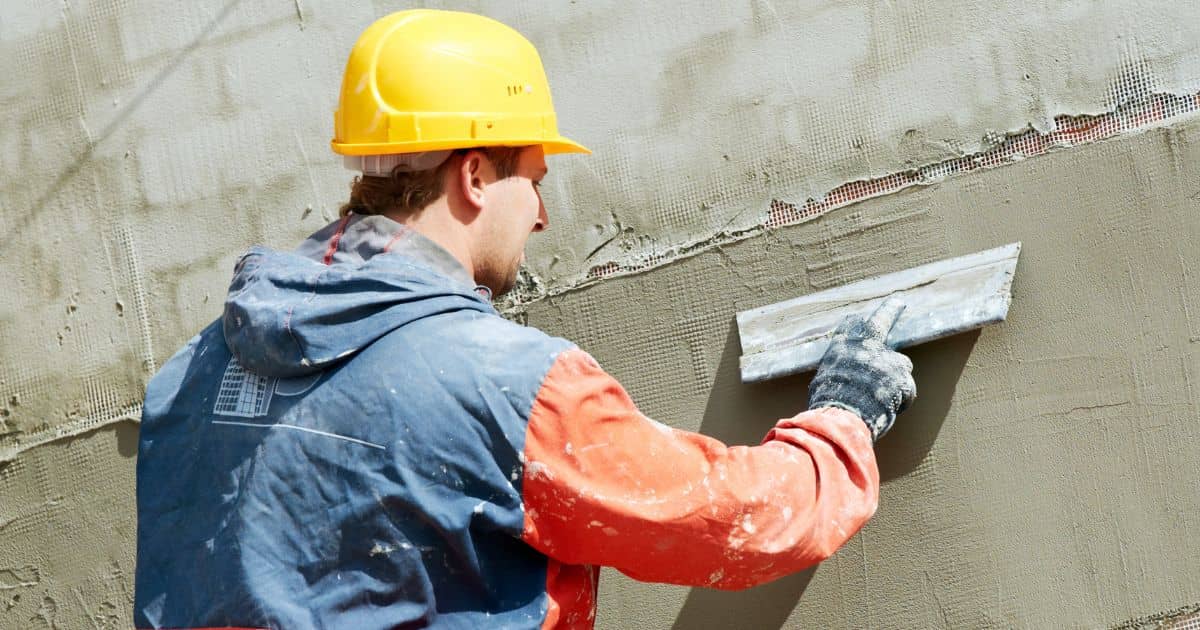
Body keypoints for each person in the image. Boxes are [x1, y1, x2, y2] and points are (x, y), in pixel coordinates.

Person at [133, 9, 916, 629]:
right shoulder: (507, 388)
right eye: (533, 178)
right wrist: (841, 421)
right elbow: (731, 524)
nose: (541, 214)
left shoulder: (190, 379)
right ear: (474, 174)